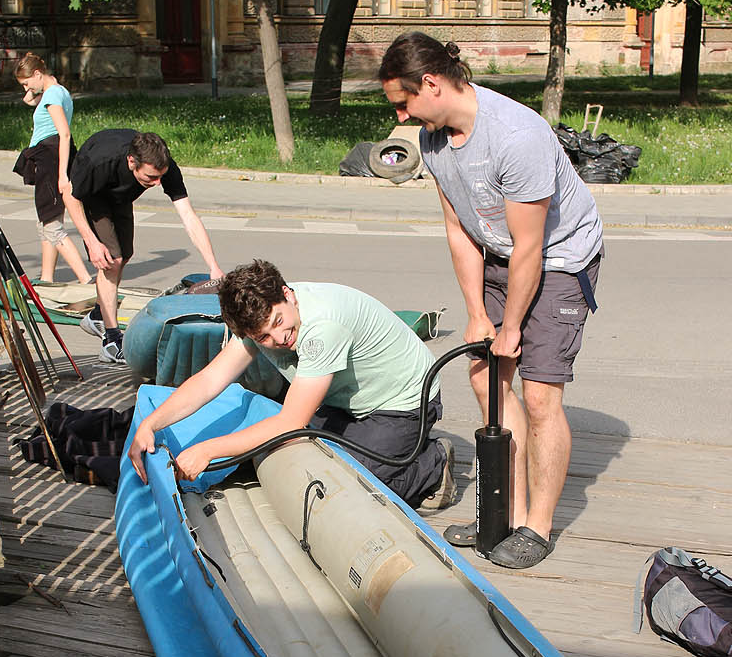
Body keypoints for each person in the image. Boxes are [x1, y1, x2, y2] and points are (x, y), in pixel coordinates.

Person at [379, 31, 603, 569]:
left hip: (558, 259)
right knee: (485, 376)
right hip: (500, 254)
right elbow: (460, 231)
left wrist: (513, 327)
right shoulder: (434, 142)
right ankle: (504, 510)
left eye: (404, 103)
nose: (402, 118)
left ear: (431, 84)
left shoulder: (517, 136)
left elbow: (530, 248)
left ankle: (537, 526)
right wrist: (480, 315)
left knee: (540, 395)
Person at [128, 258, 456, 511]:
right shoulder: (263, 316)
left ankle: (433, 463)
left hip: (403, 401)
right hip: (344, 399)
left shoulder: (321, 326)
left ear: (287, 295)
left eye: (279, 323)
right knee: (306, 461)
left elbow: (290, 421)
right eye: (263, 338)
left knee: (355, 485)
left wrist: (208, 450)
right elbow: (211, 379)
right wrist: (151, 424)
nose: (278, 339)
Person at [66, 128, 222, 363]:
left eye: (161, 176)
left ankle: (98, 314)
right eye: (150, 178)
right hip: (93, 195)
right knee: (112, 260)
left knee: (125, 255)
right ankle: (111, 340)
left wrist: (213, 266)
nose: (158, 183)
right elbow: (71, 196)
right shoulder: (100, 162)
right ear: (131, 162)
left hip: (120, 196)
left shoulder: (164, 166)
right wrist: (92, 241)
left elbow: (188, 216)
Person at [11, 53, 92, 288]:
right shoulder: (57, 91)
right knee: (46, 219)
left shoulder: (53, 94)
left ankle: (86, 280)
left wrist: (62, 175)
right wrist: (33, 87)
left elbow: (64, 133)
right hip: (50, 155)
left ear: (38, 74)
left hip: (51, 157)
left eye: (27, 82)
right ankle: (47, 278)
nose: (26, 88)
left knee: (51, 225)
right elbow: (28, 101)